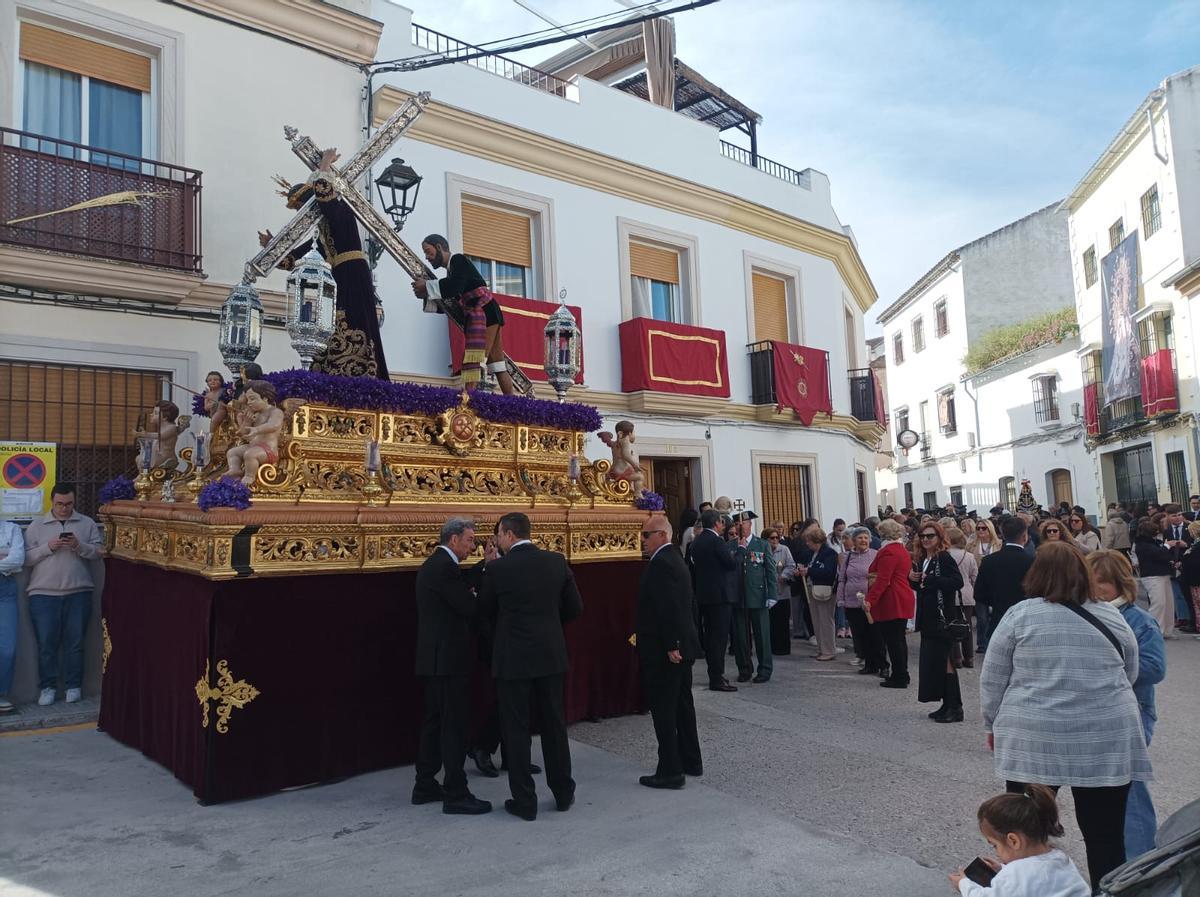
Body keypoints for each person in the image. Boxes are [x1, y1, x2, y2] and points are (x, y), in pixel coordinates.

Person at [980, 542, 1151, 890]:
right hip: (1104, 736)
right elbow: (1129, 670)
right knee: (1105, 836)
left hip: (1035, 735)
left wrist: (992, 722)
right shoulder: (1109, 614)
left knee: (1025, 831)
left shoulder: (1020, 614)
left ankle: (1029, 888)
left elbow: (993, 677)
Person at [479, 512, 582, 821]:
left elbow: (483, 612)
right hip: (550, 655)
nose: (497, 540)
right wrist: (549, 627)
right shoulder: (556, 561)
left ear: (509, 535)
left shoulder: (497, 569)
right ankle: (563, 792)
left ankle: (525, 800)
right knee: (553, 725)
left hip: (513, 658)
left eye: (498, 534)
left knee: (516, 729)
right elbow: (575, 608)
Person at [262, 149, 389, 379]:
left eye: (303, 206)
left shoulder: (341, 210)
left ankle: (361, 367)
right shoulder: (323, 230)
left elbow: (326, 199)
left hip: (352, 273)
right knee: (335, 320)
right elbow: (302, 255)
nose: (303, 214)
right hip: (339, 276)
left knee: (353, 318)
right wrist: (274, 248)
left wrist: (324, 166)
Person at [1086, 550, 1166, 859]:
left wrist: (1108, 667)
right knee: (1105, 794)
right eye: (1091, 581)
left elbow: (1155, 668)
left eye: (1102, 582)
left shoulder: (1139, 620)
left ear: (1120, 583)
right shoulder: (1087, 613)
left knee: (1130, 790)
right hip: (1096, 713)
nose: (1095, 588)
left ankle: (1142, 865)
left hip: (1133, 711)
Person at [412, 518, 491, 815]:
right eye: (470, 540)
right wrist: (475, 595)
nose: (473, 545)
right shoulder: (445, 568)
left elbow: (459, 592)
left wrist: (479, 570)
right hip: (448, 659)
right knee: (453, 725)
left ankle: (425, 784)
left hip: (434, 658)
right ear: (454, 539)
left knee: (434, 722)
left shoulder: (437, 565)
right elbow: (468, 606)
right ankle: (456, 791)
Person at [635, 516, 703, 789]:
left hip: (667, 650)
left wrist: (673, 644)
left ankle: (670, 769)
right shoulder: (672, 559)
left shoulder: (663, 563)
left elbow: (671, 607)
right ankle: (690, 759)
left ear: (662, 535)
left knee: (664, 708)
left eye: (647, 535)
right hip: (678, 645)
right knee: (682, 705)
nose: (643, 540)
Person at [23, 484, 103, 706]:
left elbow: (98, 553)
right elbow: (26, 559)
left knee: (75, 643)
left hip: (78, 592)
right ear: (52, 502)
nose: (64, 508)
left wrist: (79, 546)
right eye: (60, 504)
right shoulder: (37, 525)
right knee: (47, 644)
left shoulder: (86, 523)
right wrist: (48, 547)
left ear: (74, 502)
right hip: (43, 594)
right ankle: (47, 687)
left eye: (69, 504)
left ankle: (73, 686)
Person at [413, 234, 513, 394]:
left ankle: (467, 402)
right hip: (489, 312)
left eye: (428, 251)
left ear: (439, 247)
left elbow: (454, 287)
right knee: (498, 365)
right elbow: (452, 303)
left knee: (475, 360)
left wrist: (427, 286)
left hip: (484, 312)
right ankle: (512, 406)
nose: (427, 257)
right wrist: (426, 294)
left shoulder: (458, 260)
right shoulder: (452, 273)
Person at [949, 785, 1090, 897]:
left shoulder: (1015, 875)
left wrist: (963, 884)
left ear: (1013, 841)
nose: (997, 852)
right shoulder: (1060, 858)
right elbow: (1034, 879)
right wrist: (1001, 869)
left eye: (995, 845)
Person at [912, 522, 966, 722]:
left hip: (942, 618)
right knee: (936, 663)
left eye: (930, 536)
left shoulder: (943, 557)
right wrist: (913, 579)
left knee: (946, 661)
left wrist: (932, 580)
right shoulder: (924, 558)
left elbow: (956, 582)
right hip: (928, 617)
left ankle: (955, 707)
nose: (926, 539)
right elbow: (923, 586)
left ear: (939, 537)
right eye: (923, 536)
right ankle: (946, 704)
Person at [689, 509, 738, 692]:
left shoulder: (698, 540)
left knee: (710, 637)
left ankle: (715, 674)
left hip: (704, 594)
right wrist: (738, 551)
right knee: (718, 638)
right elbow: (730, 563)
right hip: (720, 595)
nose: (723, 525)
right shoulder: (716, 540)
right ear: (716, 523)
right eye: (721, 522)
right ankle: (717, 677)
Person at [865, 519, 916, 687]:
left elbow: (883, 580)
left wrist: (869, 600)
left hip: (892, 598)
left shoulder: (888, 552)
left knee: (893, 641)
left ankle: (899, 676)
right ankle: (902, 673)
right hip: (900, 595)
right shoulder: (900, 550)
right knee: (898, 640)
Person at [973, 516, 1034, 644]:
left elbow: (979, 593)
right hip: (1025, 622)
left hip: (999, 618)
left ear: (1003, 536)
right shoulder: (1032, 562)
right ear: (1024, 536)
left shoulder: (989, 561)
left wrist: (996, 600)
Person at [731, 511, 776, 683]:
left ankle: (764, 669)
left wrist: (772, 594)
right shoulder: (730, 546)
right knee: (741, 637)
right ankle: (744, 668)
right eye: (737, 524)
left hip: (758, 594)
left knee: (762, 635)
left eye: (744, 523)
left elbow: (770, 570)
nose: (740, 526)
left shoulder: (761, 544)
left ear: (750, 525)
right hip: (738, 596)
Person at [225, 380, 286, 487]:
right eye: (248, 399)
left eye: (253, 399)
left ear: (265, 398)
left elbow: (273, 425)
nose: (249, 402)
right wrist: (245, 421)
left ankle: (249, 477)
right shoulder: (254, 414)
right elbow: (242, 434)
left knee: (250, 454)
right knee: (233, 452)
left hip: (268, 451)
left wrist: (256, 429)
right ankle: (235, 470)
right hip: (252, 446)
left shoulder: (275, 412)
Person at [837, 526, 880, 672]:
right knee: (859, 633)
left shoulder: (876, 554)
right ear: (854, 540)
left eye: (866, 538)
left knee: (874, 633)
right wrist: (841, 599)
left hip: (870, 602)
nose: (863, 540)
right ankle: (868, 664)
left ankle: (880, 664)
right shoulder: (848, 556)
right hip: (851, 602)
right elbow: (841, 579)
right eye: (860, 537)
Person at [1133, 519, 1175, 639]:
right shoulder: (1142, 545)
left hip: (1162, 574)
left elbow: (1163, 555)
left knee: (1168, 603)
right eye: (1154, 531)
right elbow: (1159, 554)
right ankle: (1155, 631)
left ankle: (1167, 630)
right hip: (1152, 576)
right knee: (1159, 603)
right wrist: (1167, 545)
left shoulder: (1152, 543)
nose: (1157, 533)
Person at [0, 517, 25, 713]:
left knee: (8, 647)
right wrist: (4, 556)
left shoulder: (12, 529)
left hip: (5, 588)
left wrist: (9, 558)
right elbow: (11, 561)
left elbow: (18, 560)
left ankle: (1, 694)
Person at [803, 525, 839, 662]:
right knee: (817, 620)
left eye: (809, 541)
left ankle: (829, 650)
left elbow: (829, 572)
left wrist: (809, 571)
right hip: (814, 589)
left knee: (825, 621)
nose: (807, 543)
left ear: (816, 540)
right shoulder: (813, 554)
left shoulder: (829, 553)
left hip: (825, 591)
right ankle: (821, 648)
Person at [945, 527, 979, 668]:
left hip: (951, 594)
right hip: (966, 594)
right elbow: (974, 576)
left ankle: (956, 658)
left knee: (952, 626)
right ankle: (969, 657)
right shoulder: (969, 556)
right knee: (967, 626)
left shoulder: (945, 555)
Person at [1161, 504, 1194, 633]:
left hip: (1190, 564)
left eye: (1179, 515)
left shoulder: (1189, 528)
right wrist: (1172, 561)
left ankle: (1192, 620)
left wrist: (1187, 545)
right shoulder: (1167, 531)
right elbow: (1166, 548)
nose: (1177, 518)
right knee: (1181, 594)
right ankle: (1186, 618)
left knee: (1191, 595)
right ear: (1168, 517)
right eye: (1174, 516)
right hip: (1175, 565)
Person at [763, 527, 795, 656]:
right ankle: (771, 647)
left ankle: (783, 648)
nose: (775, 540)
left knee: (782, 621)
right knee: (771, 622)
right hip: (768, 591)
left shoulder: (784, 549)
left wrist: (784, 575)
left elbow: (791, 565)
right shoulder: (762, 550)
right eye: (772, 538)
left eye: (777, 537)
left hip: (782, 590)